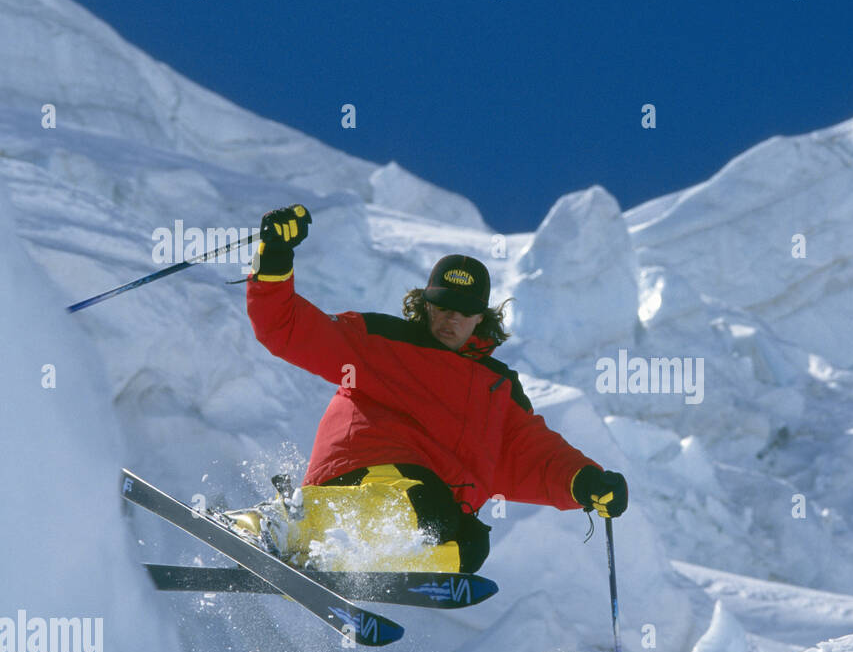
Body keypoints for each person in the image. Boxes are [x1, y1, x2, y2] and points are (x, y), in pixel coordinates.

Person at [239, 204, 627, 574]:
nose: (450, 319)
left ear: (481, 318)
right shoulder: (382, 340)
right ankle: (277, 523)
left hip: (431, 500)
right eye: (442, 306)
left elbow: (530, 454)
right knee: (429, 508)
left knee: (470, 545)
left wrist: (587, 482)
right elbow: (289, 328)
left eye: (462, 311)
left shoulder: (498, 390)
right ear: (426, 305)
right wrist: (273, 261)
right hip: (367, 472)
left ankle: (336, 561)